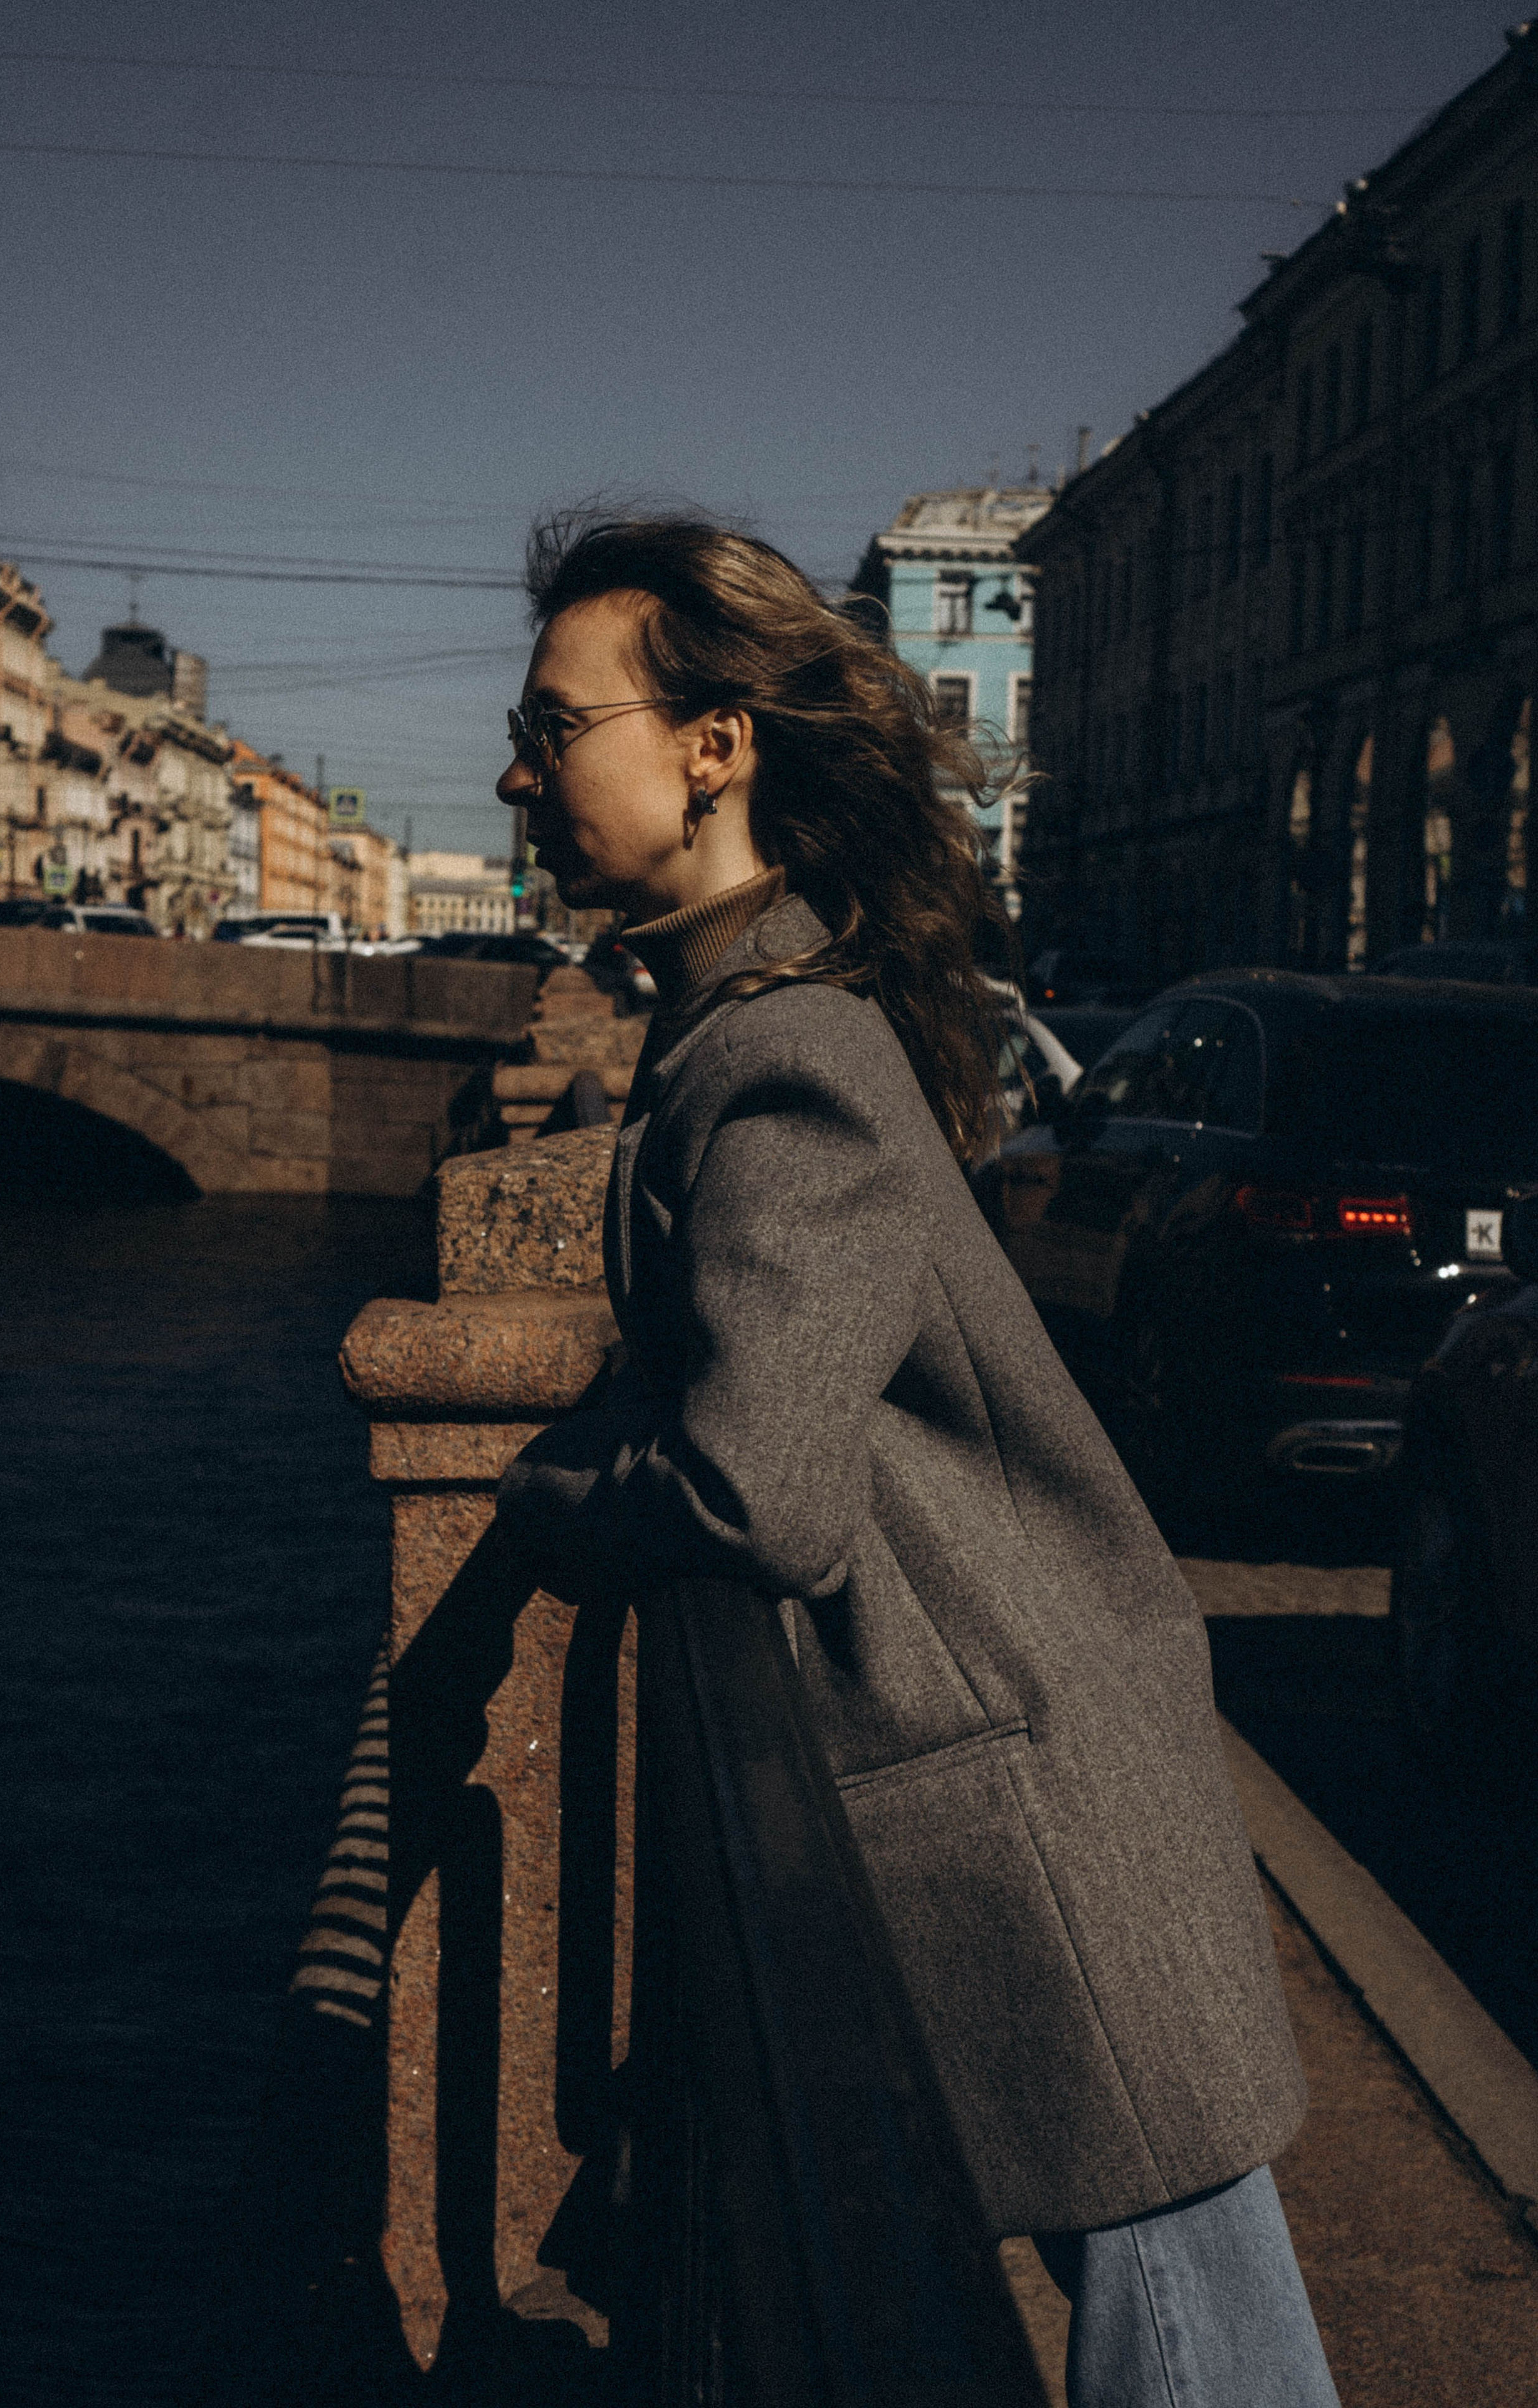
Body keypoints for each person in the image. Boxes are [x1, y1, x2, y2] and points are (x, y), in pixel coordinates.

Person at [491, 511, 1340, 2408]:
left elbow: (751, 1490)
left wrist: (540, 1496)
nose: (519, 768)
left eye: (558, 726)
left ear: (712, 744)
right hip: (1022, 1777)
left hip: (1028, 1817)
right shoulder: (756, 1015)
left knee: (1203, 2358)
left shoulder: (784, 1055)